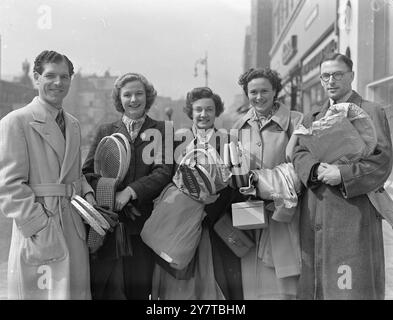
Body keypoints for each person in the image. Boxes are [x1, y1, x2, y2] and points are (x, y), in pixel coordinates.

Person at [292, 53, 393, 299]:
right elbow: (298, 153)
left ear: (352, 76)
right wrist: (314, 170)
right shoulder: (311, 116)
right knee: (319, 285)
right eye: (325, 76)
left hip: (354, 211)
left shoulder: (370, 110)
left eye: (338, 74)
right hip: (317, 209)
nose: (331, 81)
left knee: (350, 288)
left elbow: (382, 160)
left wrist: (344, 173)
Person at [0, 50, 95, 299]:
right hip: (40, 227)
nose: (58, 83)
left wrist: (88, 195)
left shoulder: (73, 123)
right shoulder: (16, 122)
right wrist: (40, 227)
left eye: (64, 77)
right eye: (50, 76)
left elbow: (75, 175)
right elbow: (9, 187)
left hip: (72, 226)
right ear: (36, 78)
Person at [82, 72, 172, 299]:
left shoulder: (164, 129)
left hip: (144, 226)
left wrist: (130, 192)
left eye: (139, 94)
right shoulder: (106, 130)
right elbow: (88, 172)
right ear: (119, 99)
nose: (133, 100)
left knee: (140, 291)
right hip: (110, 225)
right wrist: (112, 194)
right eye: (127, 95)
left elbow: (164, 172)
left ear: (148, 97)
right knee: (107, 290)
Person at [151, 86, 243, 300]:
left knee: (212, 284)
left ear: (216, 111)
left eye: (209, 109)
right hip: (180, 224)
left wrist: (210, 212)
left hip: (213, 223)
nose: (203, 114)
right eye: (198, 109)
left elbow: (236, 184)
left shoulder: (228, 141)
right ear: (190, 112)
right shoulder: (177, 140)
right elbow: (168, 178)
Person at [234, 68, 303, 299]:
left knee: (284, 288)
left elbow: (298, 171)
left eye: (265, 90)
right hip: (249, 219)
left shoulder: (296, 121)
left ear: (275, 91)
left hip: (283, 218)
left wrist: (257, 180)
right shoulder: (238, 126)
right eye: (253, 91)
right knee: (252, 287)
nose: (259, 96)